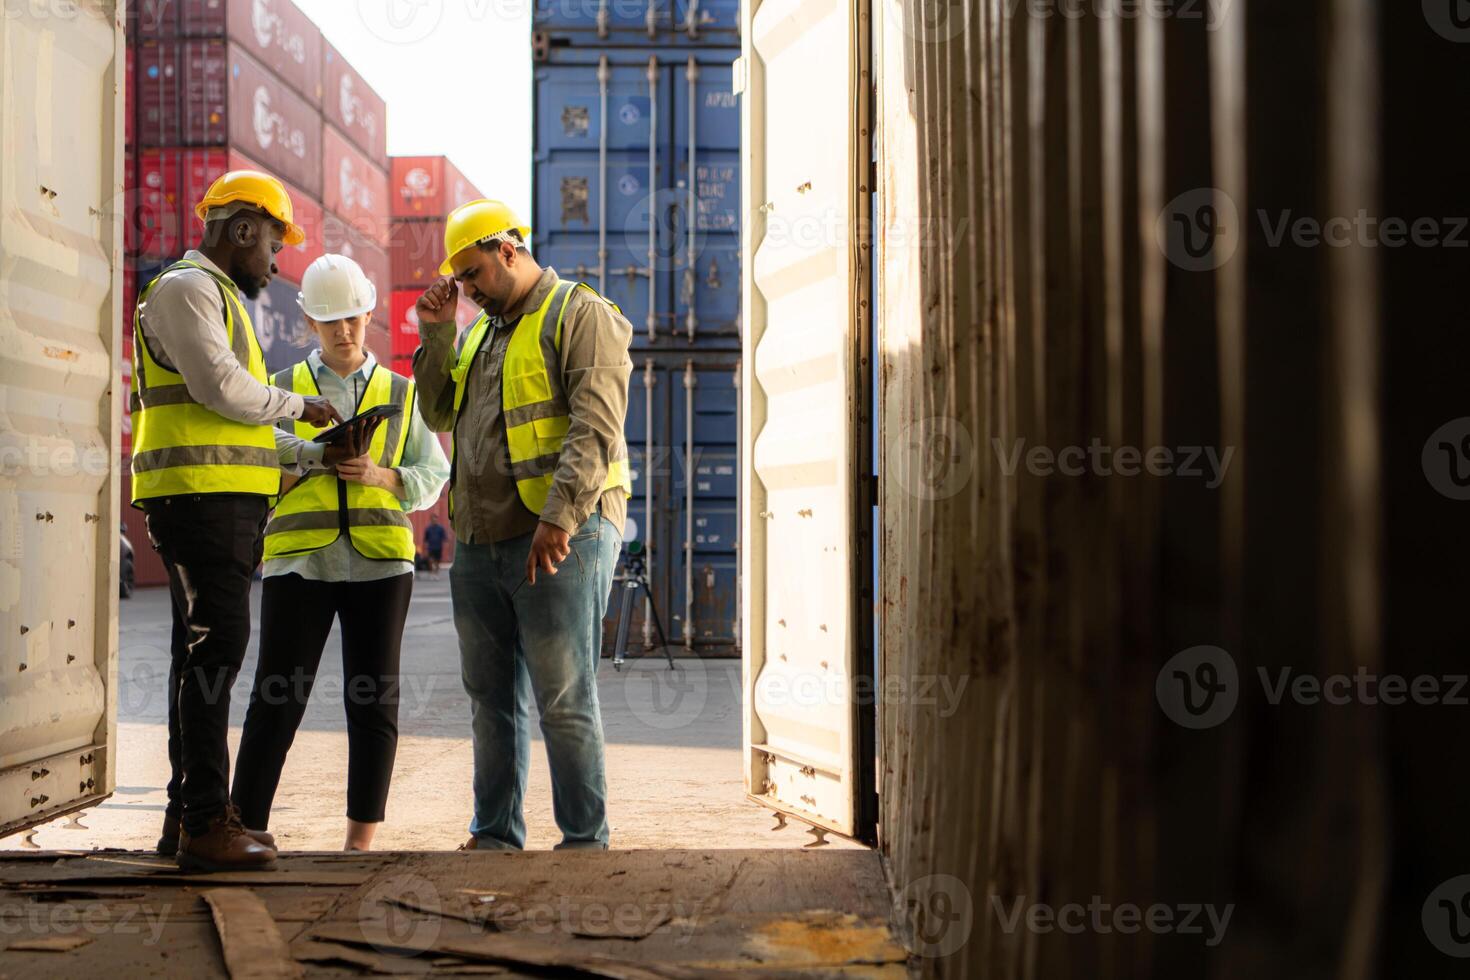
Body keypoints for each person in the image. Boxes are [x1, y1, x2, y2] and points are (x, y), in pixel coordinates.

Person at [130, 170, 345, 872]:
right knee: (215, 654)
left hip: (215, 500)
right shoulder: (187, 289)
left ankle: (185, 816)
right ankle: (204, 825)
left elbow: (240, 425)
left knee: (197, 658)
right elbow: (221, 390)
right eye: (274, 243)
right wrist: (301, 406)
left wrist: (317, 453)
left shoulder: (216, 297)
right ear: (244, 228)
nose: (276, 262)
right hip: (199, 499)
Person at [413, 200, 632, 850]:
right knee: (489, 699)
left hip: (563, 533)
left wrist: (559, 519)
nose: (471, 291)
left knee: (563, 696)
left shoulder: (579, 314)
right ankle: (494, 835)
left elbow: (596, 426)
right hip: (480, 540)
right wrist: (436, 332)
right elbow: (436, 415)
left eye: (475, 274)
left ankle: (585, 841)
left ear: (508, 249)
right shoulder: (479, 330)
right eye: (463, 282)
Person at [230, 254, 449, 852]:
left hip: (381, 563)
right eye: (331, 322)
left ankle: (359, 843)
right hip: (300, 560)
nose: (344, 331)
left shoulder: (401, 393)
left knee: (373, 701)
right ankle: (245, 827)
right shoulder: (280, 390)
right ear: (308, 323)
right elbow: (252, 448)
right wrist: (312, 456)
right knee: (276, 696)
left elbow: (435, 474)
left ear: (369, 315)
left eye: (352, 318)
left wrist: (379, 476)